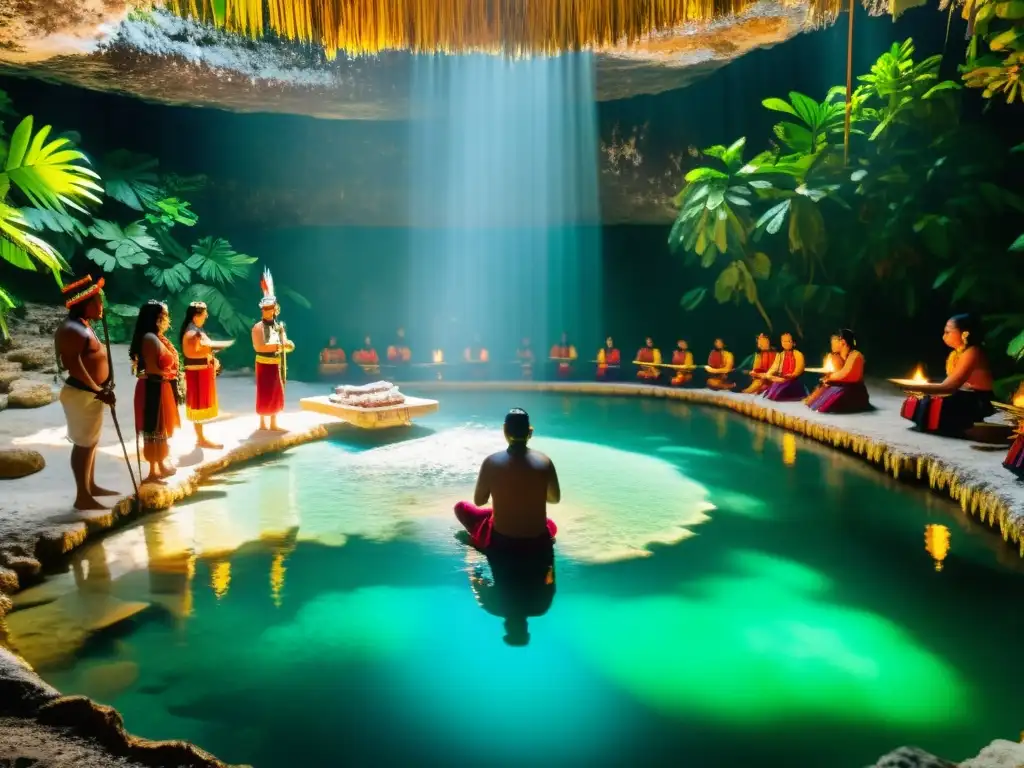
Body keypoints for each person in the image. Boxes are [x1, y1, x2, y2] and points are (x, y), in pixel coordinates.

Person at [454, 408, 559, 552]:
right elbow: (554, 499)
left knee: (461, 507)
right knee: (550, 524)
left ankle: (475, 544)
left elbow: (479, 501)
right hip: (539, 540)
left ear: (505, 430)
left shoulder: (491, 462)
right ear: (529, 432)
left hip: (501, 541)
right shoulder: (545, 461)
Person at [54, 275, 118, 511]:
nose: (101, 306)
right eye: (98, 301)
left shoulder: (83, 325)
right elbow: (75, 365)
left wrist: (103, 387)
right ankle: (83, 496)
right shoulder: (72, 329)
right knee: (83, 444)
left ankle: (90, 486)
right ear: (85, 302)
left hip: (91, 394)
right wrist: (97, 389)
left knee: (90, 442)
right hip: (82, 394)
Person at [900, 314, 995, 437]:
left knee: (931, 401)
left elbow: (949, 387)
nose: (944, 336)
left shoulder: (972, 352)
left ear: (964, 334)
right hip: (963, 394)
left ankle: (958, 426)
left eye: (948, 332)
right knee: (922, 399)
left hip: (975, 400)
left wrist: (917, 387)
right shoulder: (958, 353)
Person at [130, 301, 181, 484]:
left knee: (161, 428)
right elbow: (153, 368)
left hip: (160, 384)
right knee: (154, 427)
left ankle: (160, 463)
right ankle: (152, 471)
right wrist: (170, 373)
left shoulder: (156, 337)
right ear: (156, 318)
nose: (167, 319)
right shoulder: (150, 338)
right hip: (153, 385)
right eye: (164, 315)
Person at [179, 301, 230, 450]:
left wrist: (211, 356)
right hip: (197, 372)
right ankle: (201, 439)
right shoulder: (192, 332)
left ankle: (201, 438)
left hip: (200, 370)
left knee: (200, 404)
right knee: (198, 404)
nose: (207, 316)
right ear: (196, 316)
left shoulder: (195, 330)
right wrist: (212, 350)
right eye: (204, 313)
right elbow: (194, 352)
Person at [251, 268, 295, 431]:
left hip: (276, 362)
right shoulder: (258, 327)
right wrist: (281, 345)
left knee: (276, 391)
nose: (268, 311)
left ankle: (274, 422)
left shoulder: (278, 326)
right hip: (263, 362)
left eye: (270, 309)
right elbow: (259, 346)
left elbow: (283, 342)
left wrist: (288, 343)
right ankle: (262, 422)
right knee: (264, 391)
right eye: (265, 309)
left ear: (275, 310)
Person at [806, 328, 871, 413]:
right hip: (842, 385)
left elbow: (845, 374)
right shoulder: (837, 356)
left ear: (843, 342)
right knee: (823, 389)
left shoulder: (856, 355)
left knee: (835, 394)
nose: (835, 343)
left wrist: (830, 377)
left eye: (838, 340)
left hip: (853, 390)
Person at [763, 332, 807, 401]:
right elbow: (774, 368)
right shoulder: (780, 355)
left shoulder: (798, 354)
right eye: (783, 341)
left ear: (793, 343)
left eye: (788, 341)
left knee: (781, 392)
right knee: (771, 392)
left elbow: (799, 369)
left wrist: (792, 375)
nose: (786, 343)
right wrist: (769, 375)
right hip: (781, 380)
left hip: (793, 381)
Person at [805, 334, 844, 404]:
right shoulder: (830, 355)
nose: (833, 346)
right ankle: (812, 397)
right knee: (816, 381)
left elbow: (842, 372)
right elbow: (826, 369)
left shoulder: (843, 356)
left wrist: (830, 378)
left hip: (838, 380)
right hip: (829, 378)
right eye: (832, 344)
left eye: (836, 344)